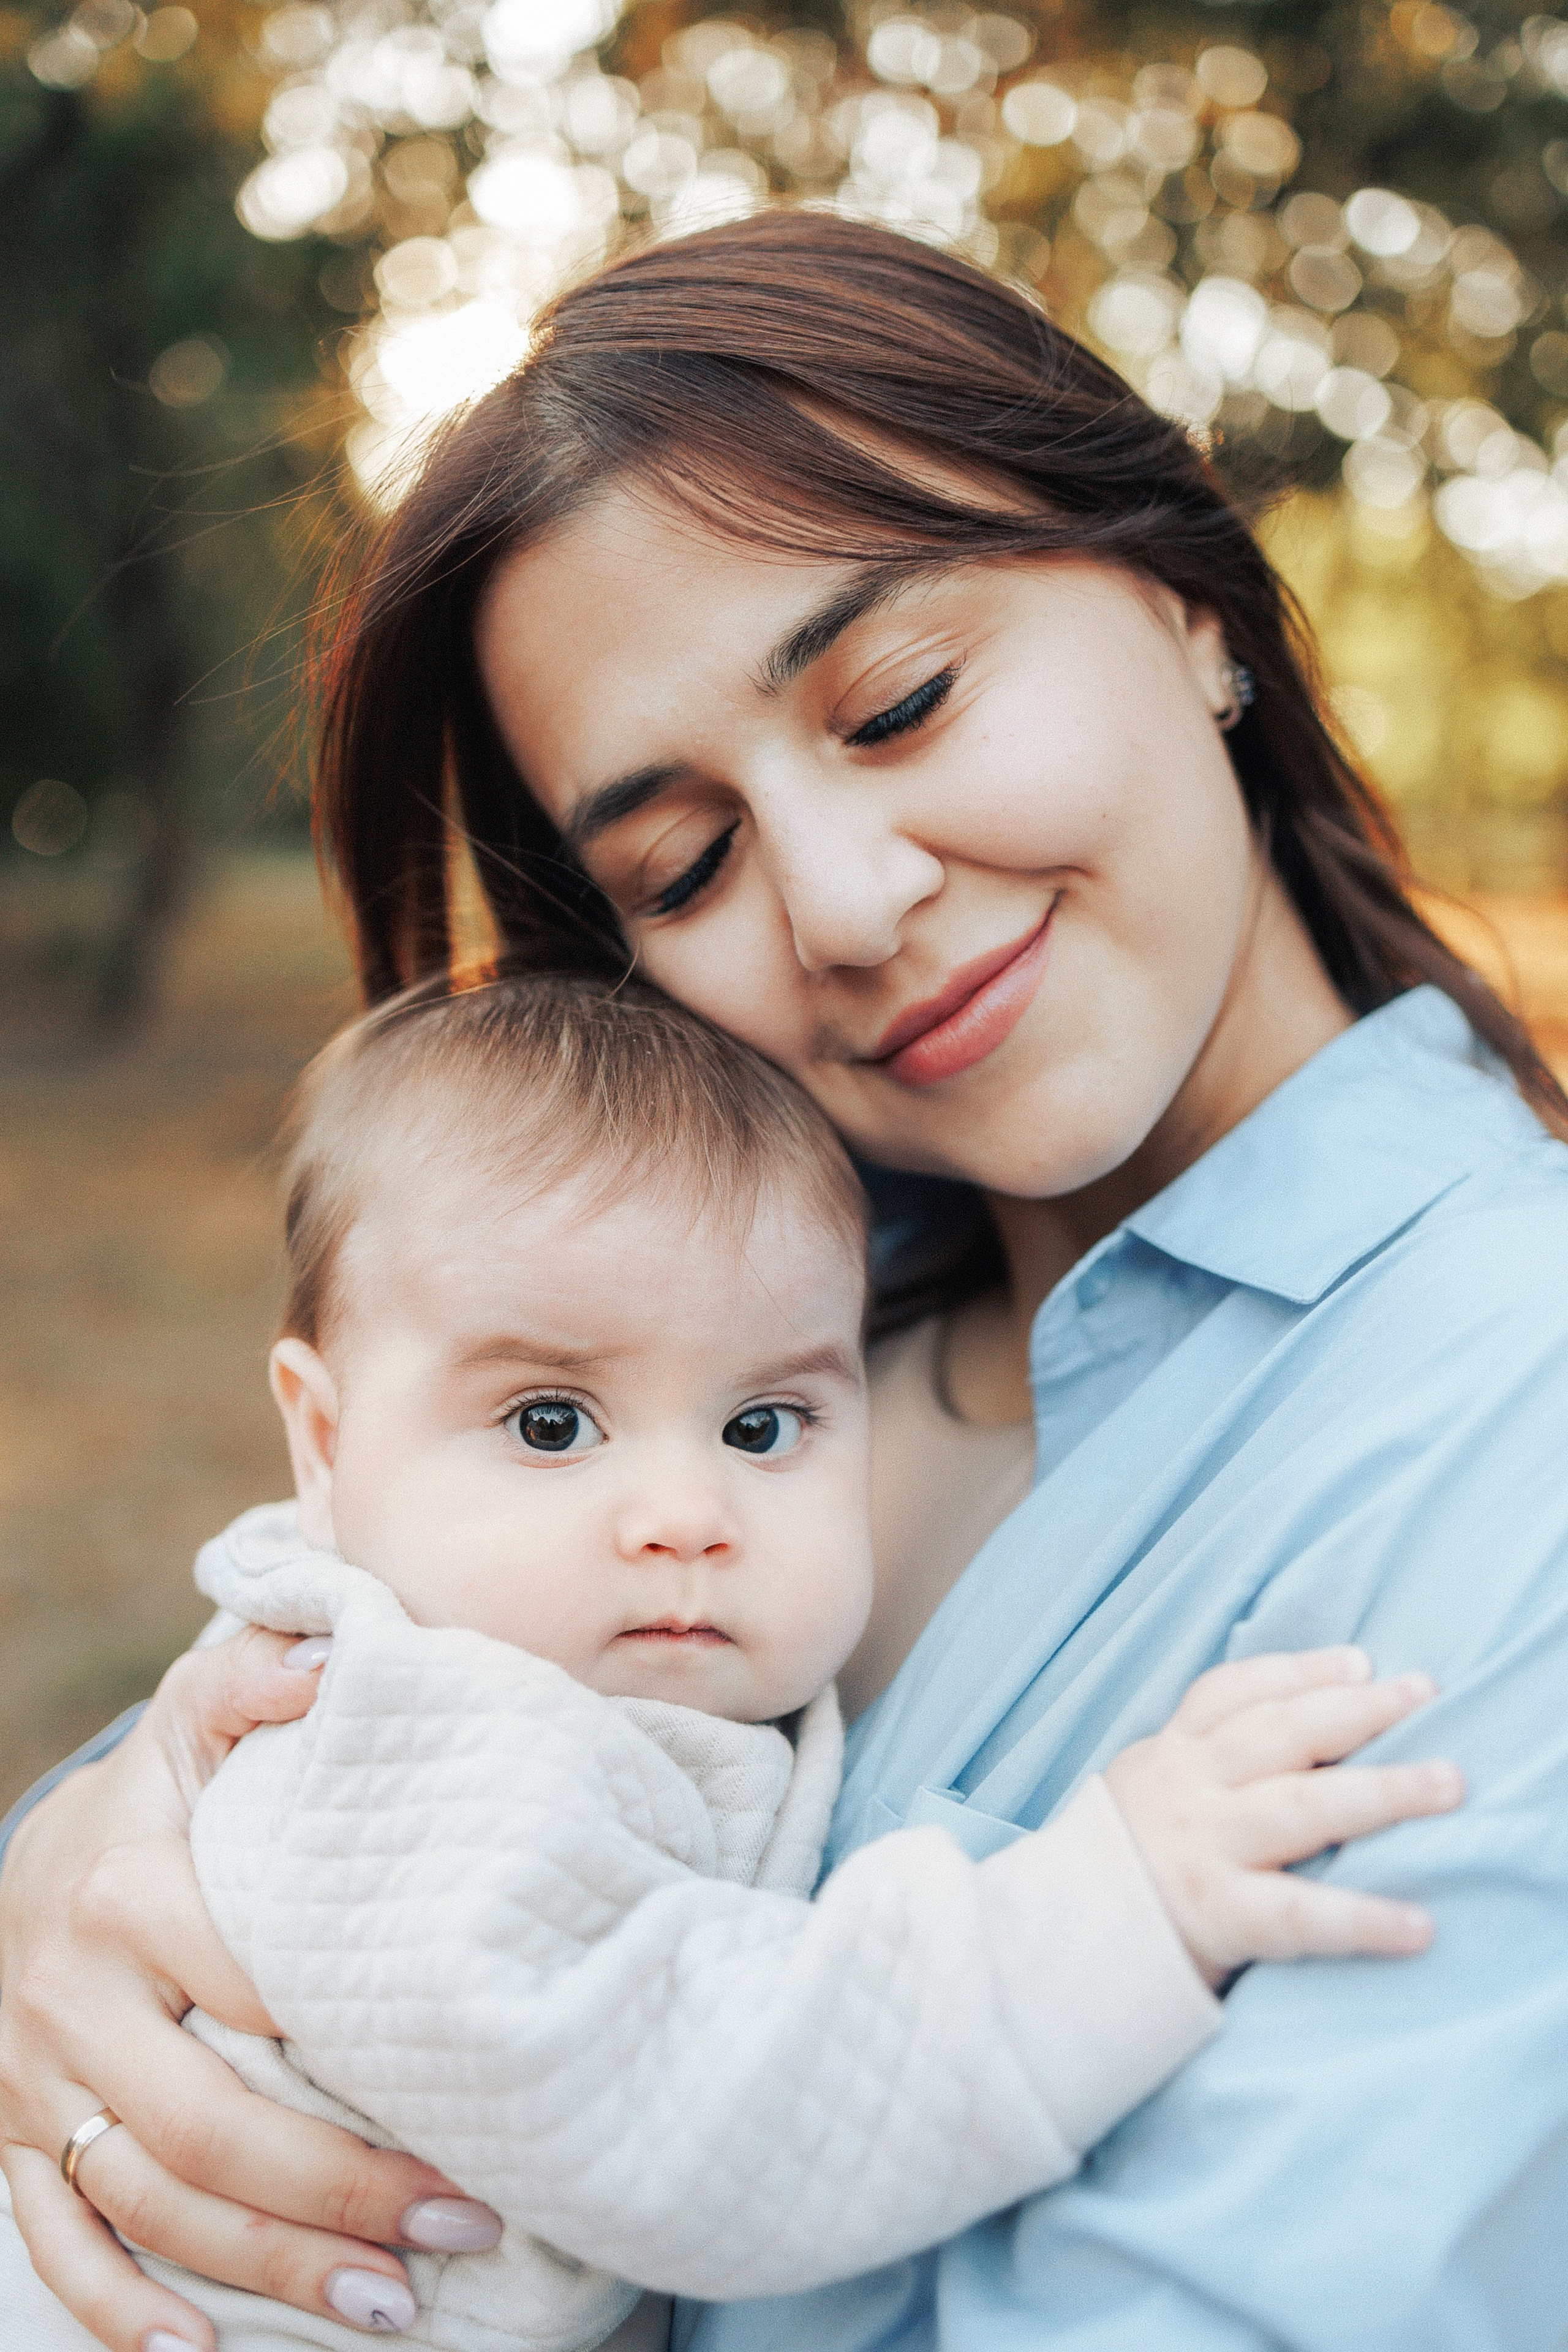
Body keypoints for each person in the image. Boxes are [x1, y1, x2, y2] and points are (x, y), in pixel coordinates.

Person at [4, 211, 1568, 2352]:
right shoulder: (727, 1331)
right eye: (684, 865)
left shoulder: (1509, 1416)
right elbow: (306, 1719)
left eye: (903, 699)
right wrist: (73, 1862)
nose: (841, 902)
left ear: (1196, 603)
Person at [0, 968, 1455, 2352]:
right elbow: (691, 2107)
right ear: (324, 1442)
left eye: (761, 1429)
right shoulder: (418, 1742)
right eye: (551, 1423)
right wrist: (1112, 1908)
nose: (687, 1518)